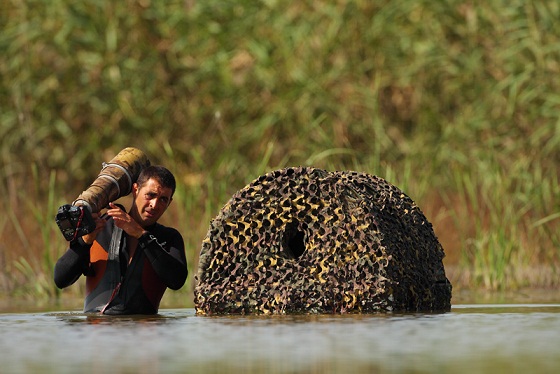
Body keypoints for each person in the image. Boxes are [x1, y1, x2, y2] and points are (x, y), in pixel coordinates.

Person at [54, 165, 188, 315]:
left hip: (146, 334)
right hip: (98, 331)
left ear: (170, 202)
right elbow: (61, 279)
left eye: (163, 199)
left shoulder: (169, 238)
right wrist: (85, 242)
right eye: (150, 195)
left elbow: (177, 281)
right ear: (135, 189)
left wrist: (141, 234)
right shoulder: (101, 227)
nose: (154, 205)